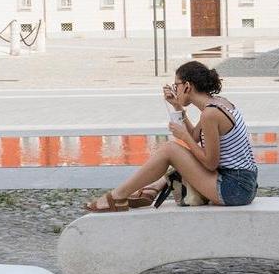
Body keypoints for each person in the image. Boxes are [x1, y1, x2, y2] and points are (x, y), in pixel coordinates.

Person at [85, 61, 258, 212]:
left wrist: (184, 136)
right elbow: (196, 136)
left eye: (177, 85)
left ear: (187, 86)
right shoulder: (217, 103)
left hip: (234, 189)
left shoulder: (210, 114)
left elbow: (210, 163)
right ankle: (151, 188)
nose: (175, 89)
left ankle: (117, 196)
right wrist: (177, 107)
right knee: (174, 150)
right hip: (244, 184)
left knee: (169, 149)